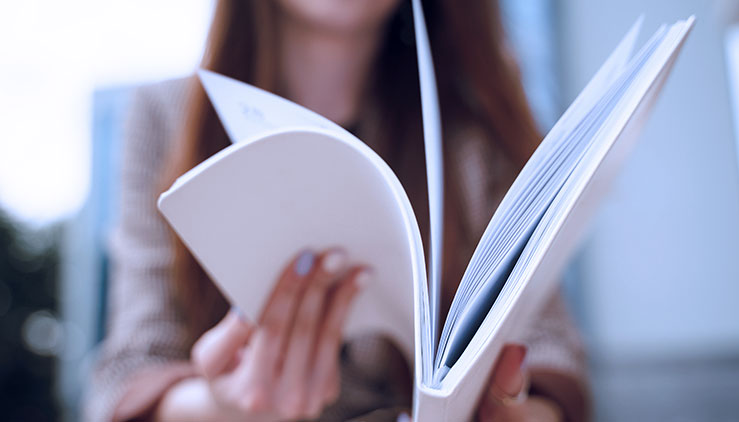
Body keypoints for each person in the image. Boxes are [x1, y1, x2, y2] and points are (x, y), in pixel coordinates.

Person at [85, 0, 589, 421]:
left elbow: (551, 359)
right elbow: (129, 374)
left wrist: (507, 409)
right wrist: (221, 403)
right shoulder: (168, 118)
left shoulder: (476, 134)